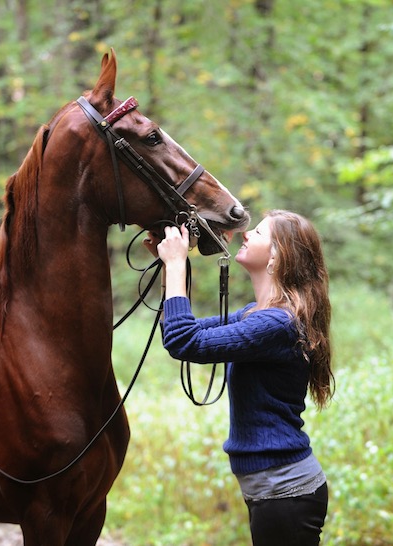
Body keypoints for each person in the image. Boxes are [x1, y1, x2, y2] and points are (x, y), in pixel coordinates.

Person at [143, 210, 335, 546]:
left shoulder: (277, 325)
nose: (245, 235)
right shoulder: (254, 314)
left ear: (277, 255)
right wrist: (171, 267)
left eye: (258, 233)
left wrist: (176, 265)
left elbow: (184, 341)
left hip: (284, 490)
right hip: (275, 490)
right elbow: (177, 329)